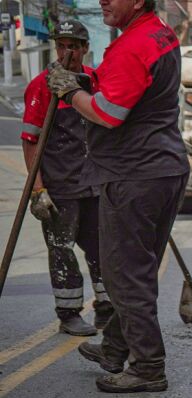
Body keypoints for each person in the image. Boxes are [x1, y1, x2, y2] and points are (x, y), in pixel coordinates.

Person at [46, 0, 189, 392]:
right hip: (163, 167)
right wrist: (85, 84)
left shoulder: (133, 44)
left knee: (124, 274)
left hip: (134, 174)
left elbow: (108, 114)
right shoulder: (159, 33)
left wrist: (69, 91)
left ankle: (147, 366)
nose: (103, 0)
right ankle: (113, 348)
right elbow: (134, 93)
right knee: (136, 268)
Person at [21, 20, 113, 336]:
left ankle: (106, 308)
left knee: (103, 248)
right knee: (61, 248)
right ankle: (69, 312)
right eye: (61, 44)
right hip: (61, 184)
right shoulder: (42, 85)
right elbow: (30, 140)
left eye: (73, 45)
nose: (66, 51)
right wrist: (38, 189)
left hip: (95, 181)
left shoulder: (95, 81)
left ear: (85, 48)